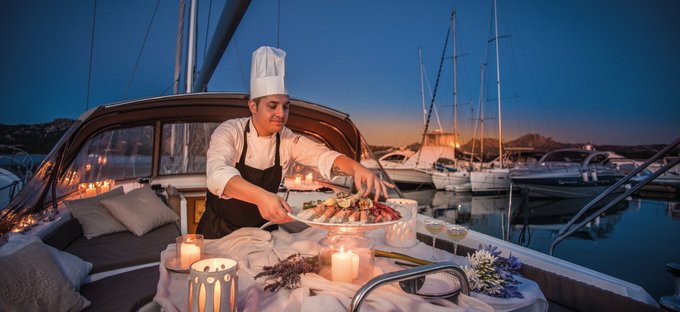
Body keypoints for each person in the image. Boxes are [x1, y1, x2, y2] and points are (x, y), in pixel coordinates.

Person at [197, 46, 393, 238]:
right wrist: (262, 197)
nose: (281, 114)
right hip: (218, 233)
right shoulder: (230, 131)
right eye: (272, 106)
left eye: (286, 107)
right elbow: (217, 175)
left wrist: (357, 168)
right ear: (253, 106)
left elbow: (322, 156)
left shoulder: (287, 138)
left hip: (262, 231)